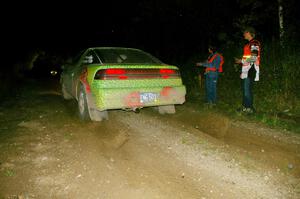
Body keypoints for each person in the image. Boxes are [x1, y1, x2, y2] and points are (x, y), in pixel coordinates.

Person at [235, 27, 261, 113]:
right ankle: (245, 107)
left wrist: (241, 61)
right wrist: (243, 70)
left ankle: (249, 108)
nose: (243, 35)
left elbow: (253, 58)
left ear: (249, 33)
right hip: (247, 69)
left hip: (251, 69)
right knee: (245, 89)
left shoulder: (254, 43)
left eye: (245, 33)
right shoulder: (249, 44)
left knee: (247, 89)